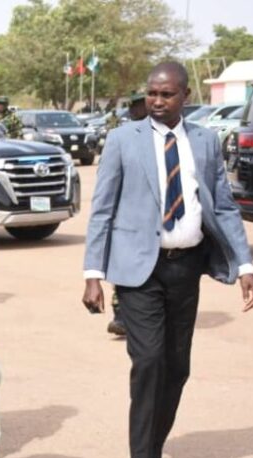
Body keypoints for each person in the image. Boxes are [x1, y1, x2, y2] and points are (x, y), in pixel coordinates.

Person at [82, 62, 253, 458]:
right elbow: (102, 209)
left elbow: (223, 206)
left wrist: (245, 266)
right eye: (152, 93)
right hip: (138, 269)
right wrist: (93, 273)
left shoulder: (204, 141)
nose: (157, 101)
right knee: (148, 360)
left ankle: (155, 455)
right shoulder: (123, 139)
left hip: (186, 267)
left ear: (185, 97)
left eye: (166, 94)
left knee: (177, 367)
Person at [104, 91, 149, 337]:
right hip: (125, 219)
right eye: (132, 106)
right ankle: (121, 316)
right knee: (123, 271)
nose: (134, 110)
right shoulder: (121, 136)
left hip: (150, 220)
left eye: (138, 106)